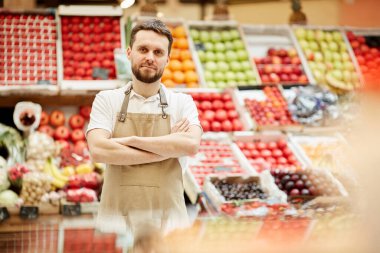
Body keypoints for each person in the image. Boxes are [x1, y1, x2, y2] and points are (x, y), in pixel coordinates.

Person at [86, 19, 202, 236]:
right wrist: (167, 148)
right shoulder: (106, 99)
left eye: (158, 52)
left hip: (170, 226)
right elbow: (98, 150)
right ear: (129, 52)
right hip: (116, 223)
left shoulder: (182, 102)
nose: (150, 57)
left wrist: (128, 142)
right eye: (143, 49)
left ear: (167, 59)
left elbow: (191, 145)